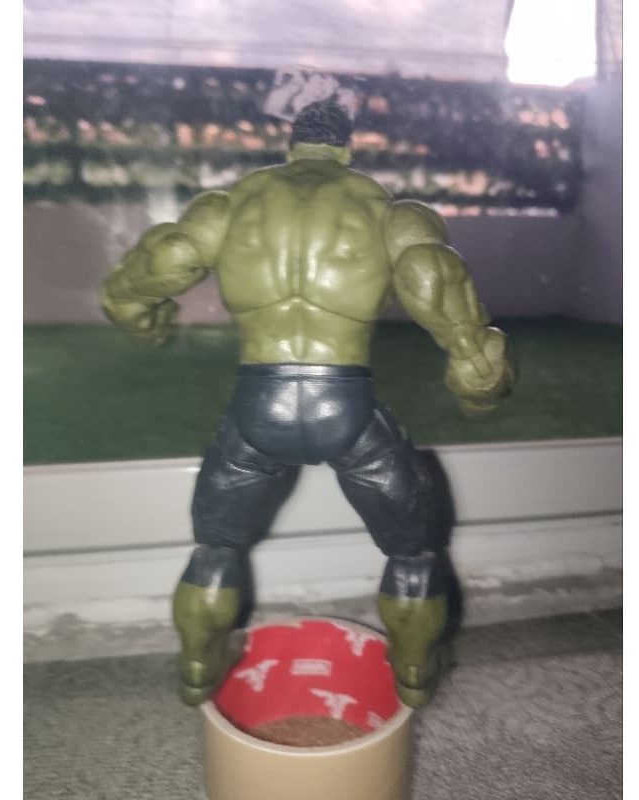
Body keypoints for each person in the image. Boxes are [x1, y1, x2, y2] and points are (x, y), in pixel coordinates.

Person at [101, 100, 514, 708]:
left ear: (291, 144)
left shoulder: (232, 204)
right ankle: (414, 673)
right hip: (345, 405)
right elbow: (431, 275)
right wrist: (473, 358)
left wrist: (141, 317)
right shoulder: (387, 210)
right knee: (412, 550)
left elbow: (161, 264)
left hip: (257, 405)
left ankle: (197, 667)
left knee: (216, 547)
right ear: (346, 147)